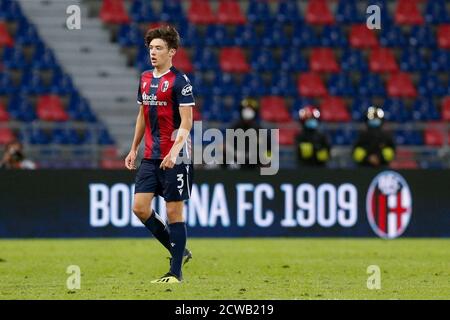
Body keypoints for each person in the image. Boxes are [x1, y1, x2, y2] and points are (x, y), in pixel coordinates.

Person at [124, 25, 194, 284]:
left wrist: (175, 151)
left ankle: (175, 273)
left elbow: (186, 123)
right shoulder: (144, 78)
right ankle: (179, 251)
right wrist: (133, 148)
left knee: (174, 212)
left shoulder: (180, 82)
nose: (153, 52)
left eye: (159, 48)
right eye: (151, 48)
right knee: (140, 208)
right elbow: (142, 116)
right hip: (151, 156)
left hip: (176, 157)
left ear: (172, 52)